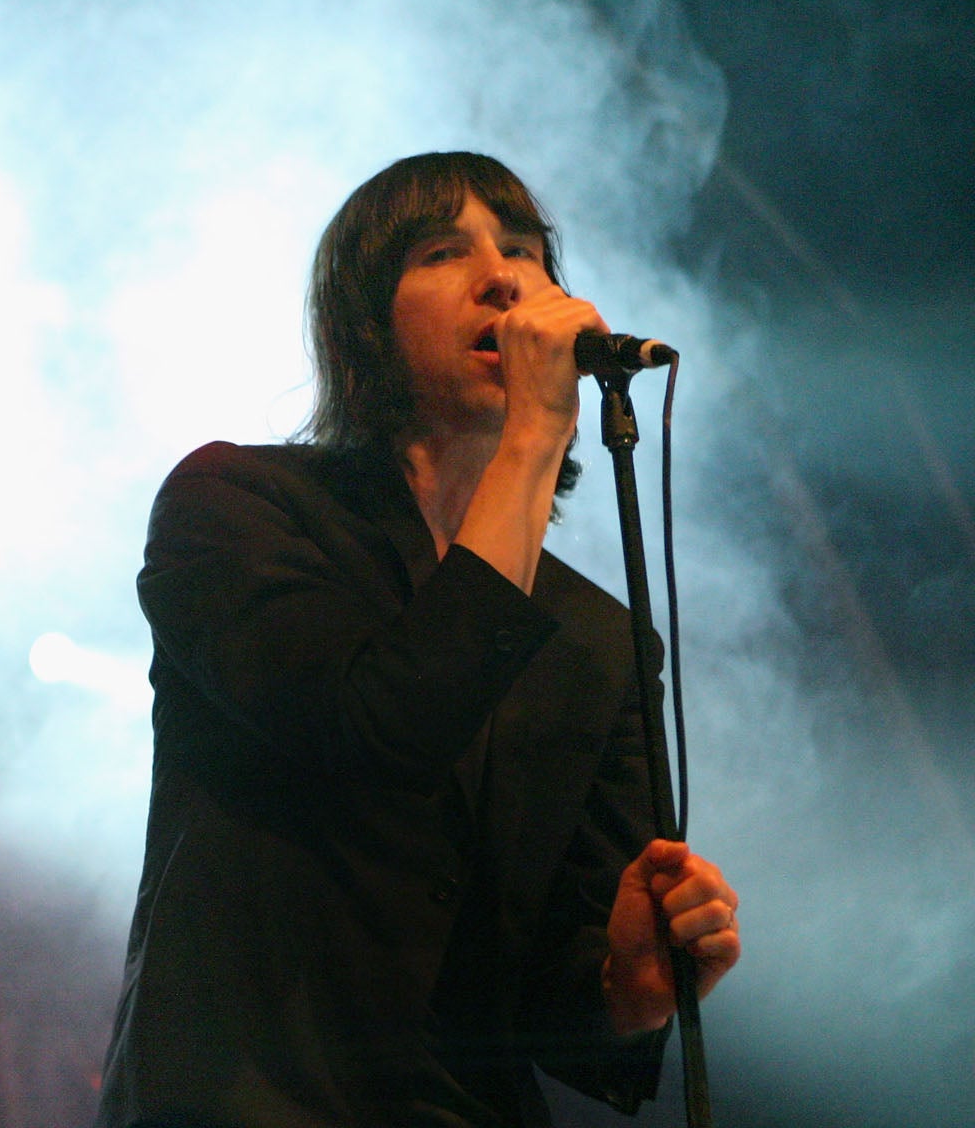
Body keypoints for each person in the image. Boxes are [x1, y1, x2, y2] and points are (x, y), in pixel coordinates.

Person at [95, 152, 740, 1128]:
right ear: (363, 324)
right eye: (444, 250)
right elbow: (384, 724)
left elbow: (551, 1003)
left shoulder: (596, 642)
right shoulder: (238, 507)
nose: (501, 274)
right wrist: (533, 435)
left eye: (522, 249)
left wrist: (630, 982)